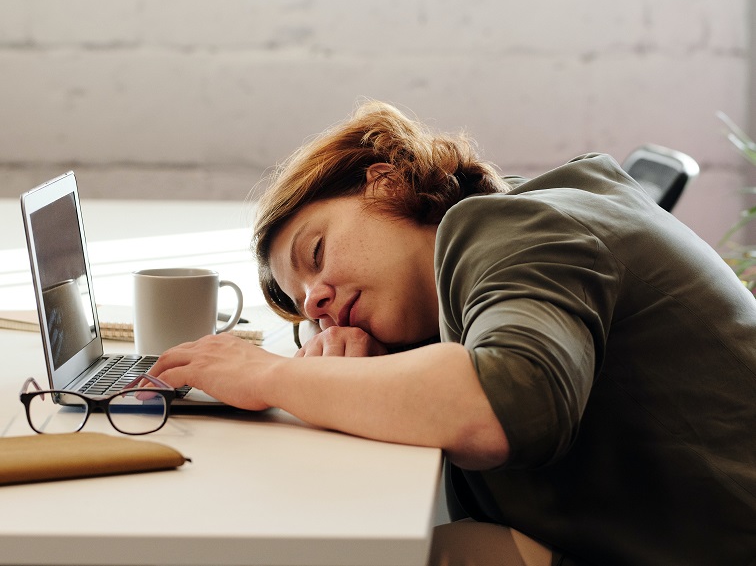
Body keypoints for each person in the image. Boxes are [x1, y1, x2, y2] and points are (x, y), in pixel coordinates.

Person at [149, 100, 756, 566]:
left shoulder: (507, 227)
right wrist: (351, 375)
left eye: (316, 252)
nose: (317, 300)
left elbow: (509, 402)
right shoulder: (509, 227)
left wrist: (273, 376)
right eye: (309, 308)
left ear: (385, 182)